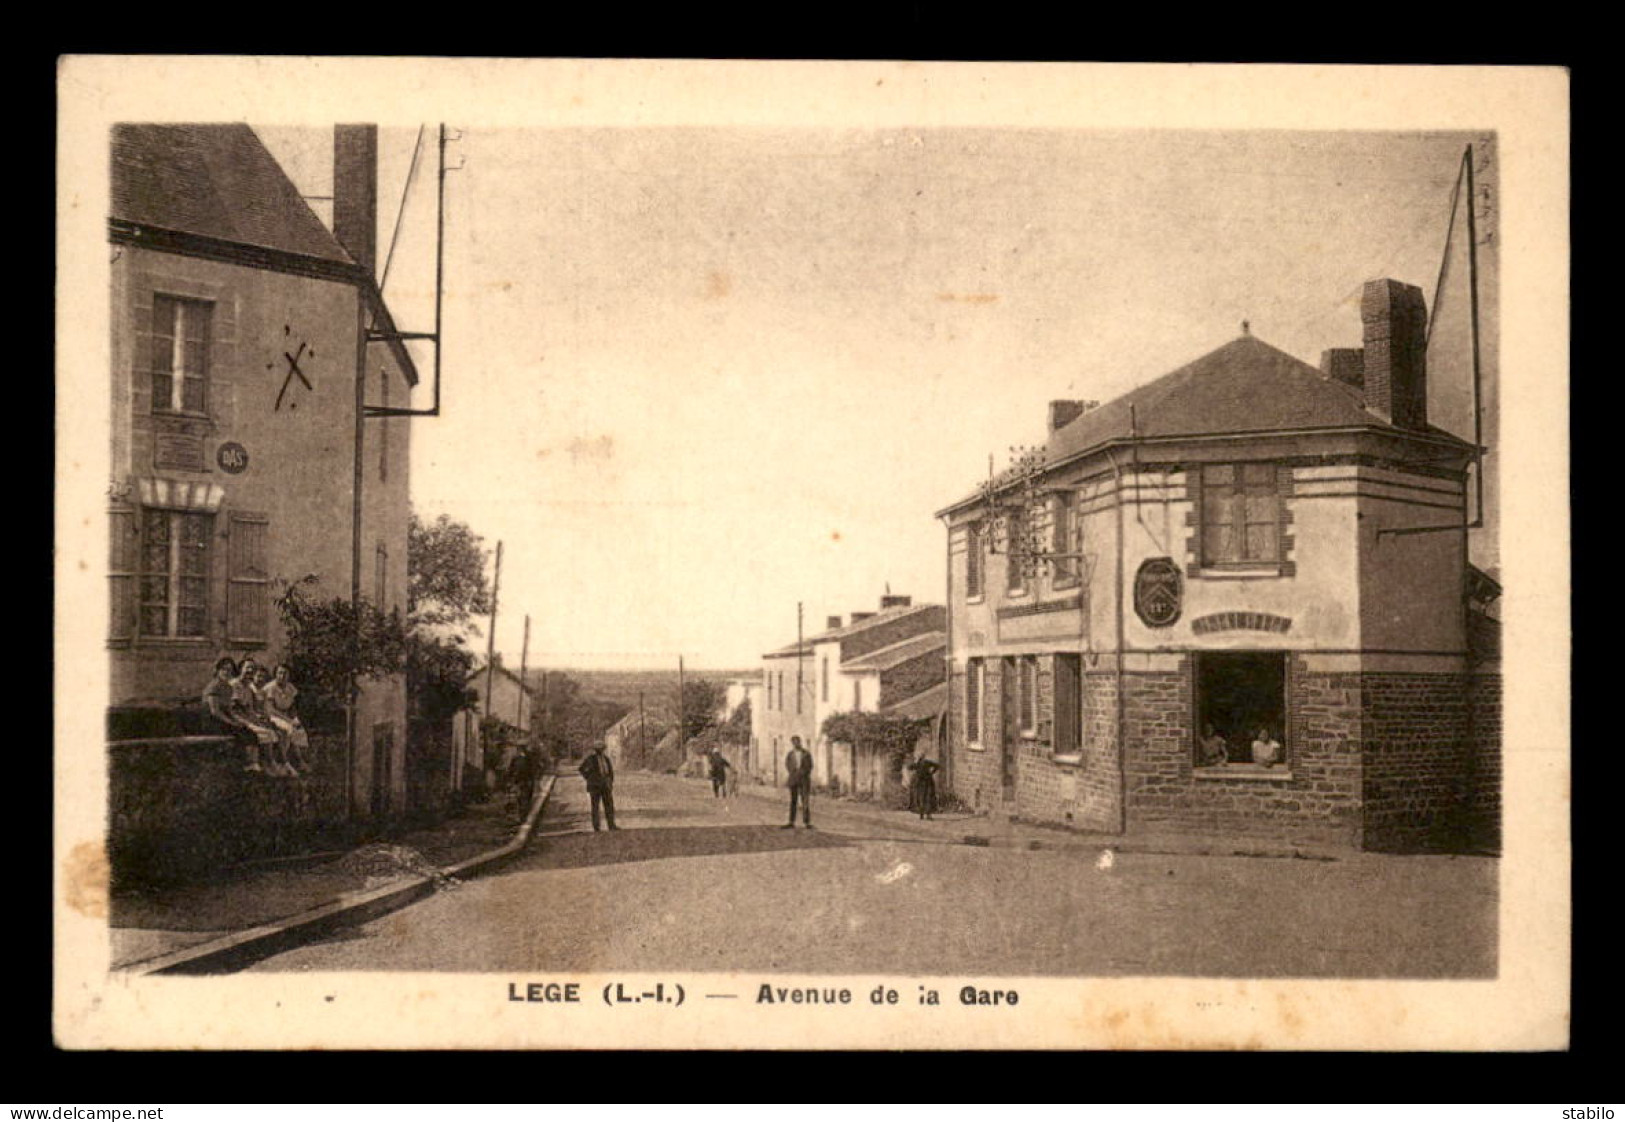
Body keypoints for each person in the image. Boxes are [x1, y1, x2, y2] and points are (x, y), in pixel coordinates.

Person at [203, 656, 264, 772]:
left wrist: (237, 721)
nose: (227, 673)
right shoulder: (214, 686)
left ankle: (253, 764)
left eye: (230, 671)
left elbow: (229, 709)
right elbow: (215, 711)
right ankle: (246, 764)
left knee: (249, 732)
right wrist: (231, 722)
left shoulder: (227, 687)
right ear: (217, 670)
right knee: (241, 732)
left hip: (224, 720)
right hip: (211, 721)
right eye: (224, 669)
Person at [238, 659, 293, 777]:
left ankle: (281, 762)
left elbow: (262, 709)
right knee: (269, 733)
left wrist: (264, 718)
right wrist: (257, 719)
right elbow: (247, 709)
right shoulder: (249, 688)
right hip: (245, 720)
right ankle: (270, 763)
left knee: (279, 732)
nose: (260, 679)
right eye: (258, 676)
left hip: (255, 718)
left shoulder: (260, 690)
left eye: (263, 677)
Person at [261, 663, 313, 775]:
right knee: (288, 729)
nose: (282, 676)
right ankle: (284, 762)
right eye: (279, 673)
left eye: (285, 673)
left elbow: (292, 706)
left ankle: (300, 761)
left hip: (286, 715)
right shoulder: (270, 688)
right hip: (273, 716)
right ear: (275, 674)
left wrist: (295, 718)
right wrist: (288, 720)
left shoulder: (290, 687)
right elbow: (270, 709)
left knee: (300, 731)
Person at [578, 743, 619, 831]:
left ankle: (611, 825)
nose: (600, 750)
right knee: (595, 806)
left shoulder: (606, 759)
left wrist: (610, 781)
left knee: (609, 805)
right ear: (595, 750)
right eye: (598, 749)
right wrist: (588, 777)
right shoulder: (590, 759)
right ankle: (596, 826)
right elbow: (581, 769)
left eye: (602, 749)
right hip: (595, 786)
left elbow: (610, 771)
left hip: (605, 785)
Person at [782, 736, 814, 829]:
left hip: (804, 779)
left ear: (800, 742)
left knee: (805, 801)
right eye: (794, 742)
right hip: (793, 779)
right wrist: (793, 772)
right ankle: (791, 821)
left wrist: (803, 773)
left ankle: (806, 822)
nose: (796, 744)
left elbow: (810, 766)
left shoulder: (806, 754)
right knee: (793, 801)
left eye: (797, 742)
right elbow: (787, 765)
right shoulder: (790, 754)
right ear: (792, 744)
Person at [909, 755, 941, 820]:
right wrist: (932, 772)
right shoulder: (922, 763)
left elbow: (909, 767)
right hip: (923, 782)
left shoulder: (923, 763)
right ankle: (924, 814)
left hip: (925, 782)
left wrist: (932, 772)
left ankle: (924, 815)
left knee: (925, 798)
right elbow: (937, 766)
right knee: (925, 798)